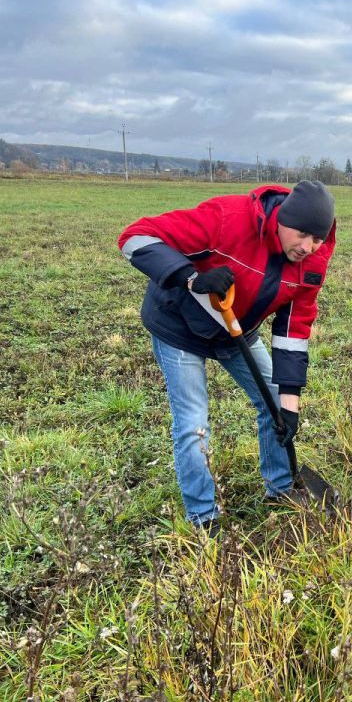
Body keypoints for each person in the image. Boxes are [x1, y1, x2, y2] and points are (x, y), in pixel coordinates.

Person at [118, 181, 337, 532]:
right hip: (179, 327)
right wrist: (191, 277)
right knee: (193, 423)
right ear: (282, 219)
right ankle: (204, 517)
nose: (308, 247)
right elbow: (135, 238)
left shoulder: (312, 262)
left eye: (317, 239)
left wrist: (290, 407)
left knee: (275, 404)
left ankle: (280, 488)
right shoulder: (228, 219)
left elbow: (294, 331)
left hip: (237, 329)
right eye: (302, 235)